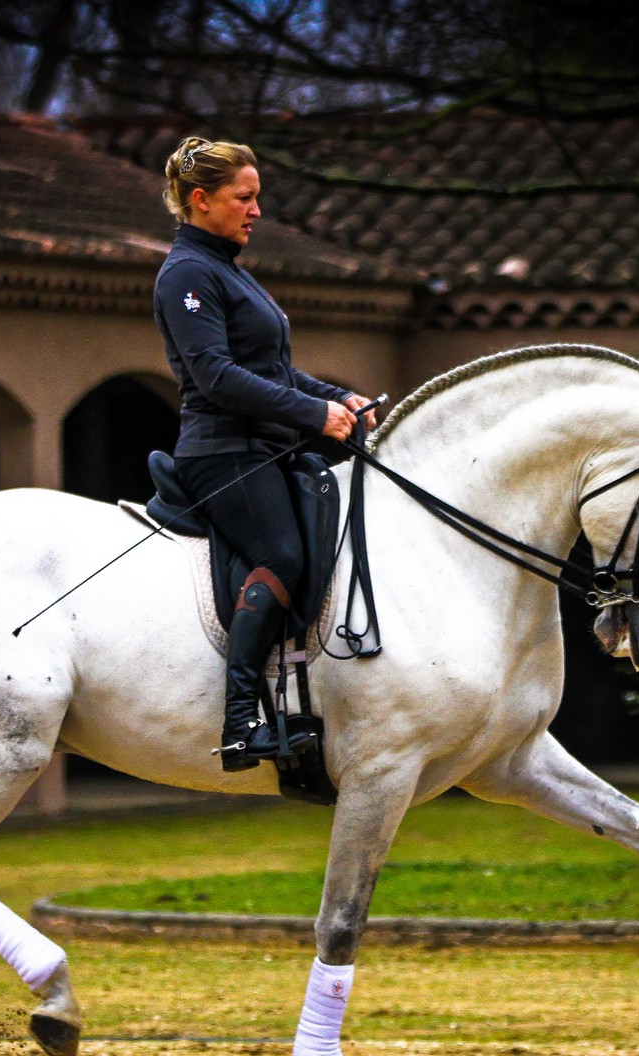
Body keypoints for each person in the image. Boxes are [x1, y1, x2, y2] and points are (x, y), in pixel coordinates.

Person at [152, 136, 376, 771]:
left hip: (264, 448)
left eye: (257, 198)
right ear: (201, 200)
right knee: (280, 555)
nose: (256, 210)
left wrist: (338, 398)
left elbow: (273, 371)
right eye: (243, 198)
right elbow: (217, 377)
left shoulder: (228, 270)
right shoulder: (187, 274)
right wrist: (314, 414)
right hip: (223, 452)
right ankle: (240, 722)